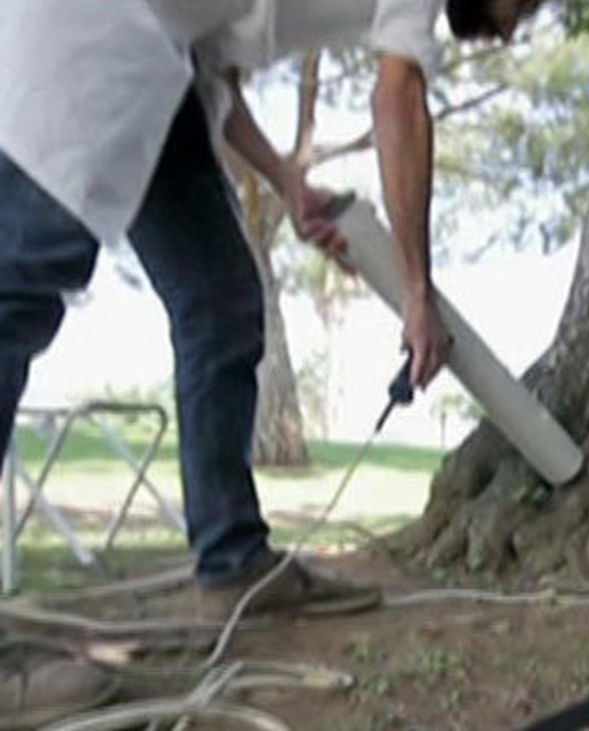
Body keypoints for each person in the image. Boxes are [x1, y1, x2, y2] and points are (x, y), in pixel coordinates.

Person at [0, 0, 542, 725]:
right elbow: (398, 97)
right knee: (16, 295)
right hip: (88, 25)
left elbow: (215, 66)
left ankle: (234, 563)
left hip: (168, 60)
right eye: (529, 2)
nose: (519, 24)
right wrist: (417, 293)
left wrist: (288, 182)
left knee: (220, 303)